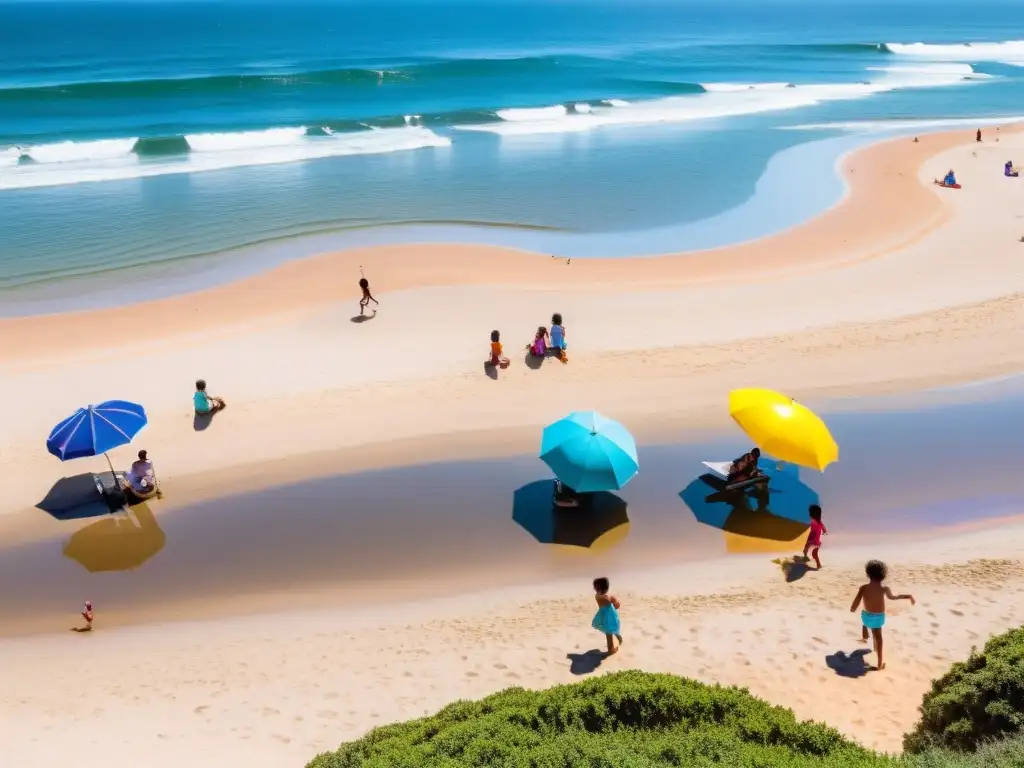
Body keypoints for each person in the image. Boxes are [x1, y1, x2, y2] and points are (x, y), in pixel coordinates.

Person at [849, 560, 915, 670]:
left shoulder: (863, 588)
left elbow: (856, 601)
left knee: (865, 619)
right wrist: (908, 596)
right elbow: (893, 597)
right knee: (878, 637)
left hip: (866, 617)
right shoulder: (884, 589)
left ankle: (865, 634)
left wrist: (853, 608)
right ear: (883, 576)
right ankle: (879, 664)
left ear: (868, 574)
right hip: (878, 619)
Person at [592, 577, 623, 655]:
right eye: (596, 588)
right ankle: (613, 644)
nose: (596, 590)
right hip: (605, 615)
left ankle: (614, 644)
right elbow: (612, 603)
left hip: (609, 615)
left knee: (610, 629)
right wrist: (612, 600)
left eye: (598, 588)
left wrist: (615, 602)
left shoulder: (600, 596)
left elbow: (616, 606)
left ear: (605, 589)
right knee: (609, 631)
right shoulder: (600, 596)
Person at [802, 504, 827, 569]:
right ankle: (818, 565)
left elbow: (811, 526)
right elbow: (823, 527)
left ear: (813, 513)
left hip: (811, 540)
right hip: (817, 542)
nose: (809, 513)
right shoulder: (819, 522)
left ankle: (804, 560)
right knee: (814, 554)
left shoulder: (813, 521)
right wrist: (824, 531)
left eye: (810, 512)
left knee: (805, 551)